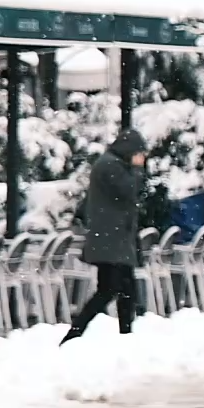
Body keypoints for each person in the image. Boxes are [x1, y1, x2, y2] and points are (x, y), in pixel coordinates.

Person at [60, 129, 149, 345]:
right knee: (110, 290)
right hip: (111, 240)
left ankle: (123, 335)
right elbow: (129, 191)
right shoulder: (111, 166)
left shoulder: (111, 164)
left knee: (123, 289)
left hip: (113, 239)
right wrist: (137, 169)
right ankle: (75, 333)